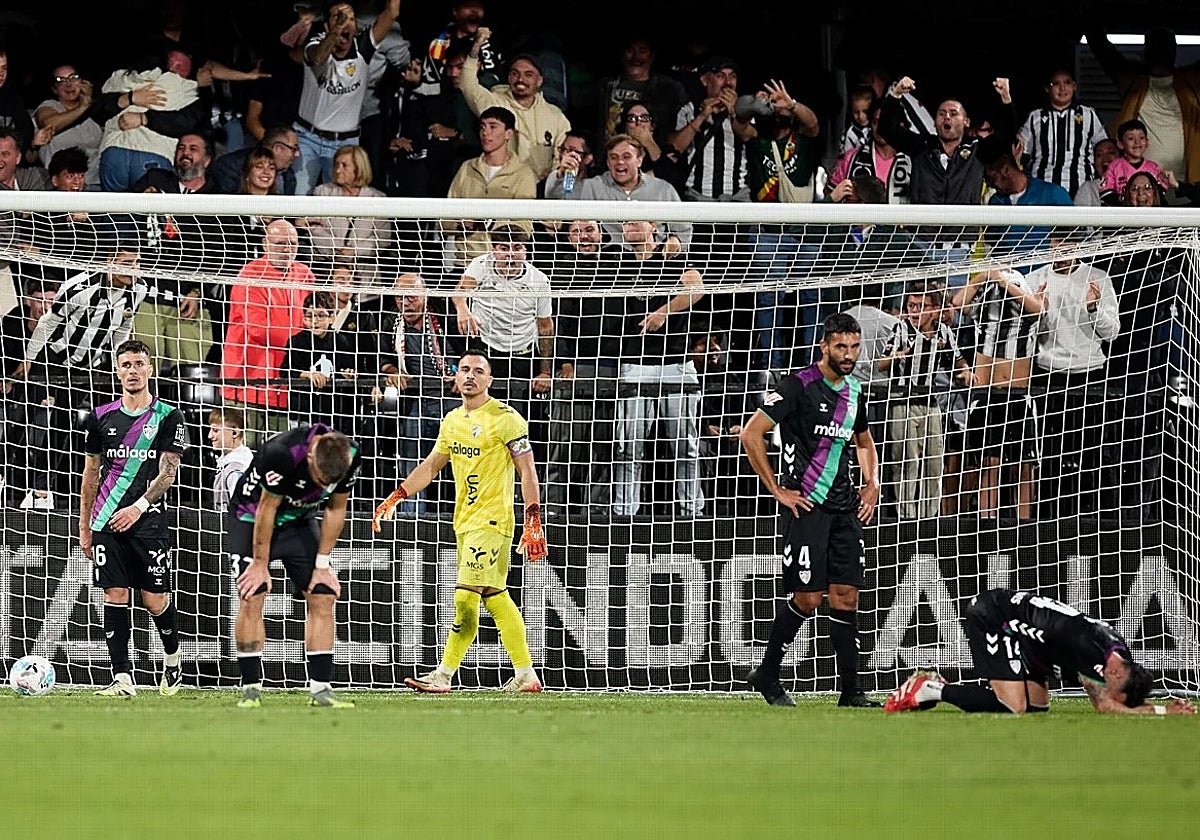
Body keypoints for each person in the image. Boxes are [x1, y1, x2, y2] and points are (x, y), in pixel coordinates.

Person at [373, 349, 548, 693]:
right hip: (465, 523)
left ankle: (444, 674)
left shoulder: (506, 417)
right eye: (464, 369)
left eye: (478, 371)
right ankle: (525, 673)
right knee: (495, 595)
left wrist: (533, 517)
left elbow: (527, 469)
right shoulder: (452, 420)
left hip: (493, 522)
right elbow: (431, 466)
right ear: (455, 377)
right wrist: (397, 495)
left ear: (489, 379)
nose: (470, 375)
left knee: (465, 598)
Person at [740, 312, 881, 708]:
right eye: (841, 346)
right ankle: (768, 671)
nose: (849, 354)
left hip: (845, 508)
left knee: (846, 596)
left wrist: (872, 484)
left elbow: (865, 442)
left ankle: (851, 693)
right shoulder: (798, 386)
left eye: (854, 347)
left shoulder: (854, 392)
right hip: (806, 506)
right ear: (824, 345)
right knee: (808, 598)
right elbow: (753, 434)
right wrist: (777, 490)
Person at [886, 588, 1196, 715]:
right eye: (1118, 693)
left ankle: (979, 688)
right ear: (1115, 674)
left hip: (1033, 644)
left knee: (1037, 708)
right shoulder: (1091, 649)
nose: (1113, 696)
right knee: (1012, 707)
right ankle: (930, 689)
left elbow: (1109, 701)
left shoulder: (1115, 652)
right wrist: (1161, 711)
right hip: (994, 618)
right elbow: (1103, 706)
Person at [80, 340, 189, 696]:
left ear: (150, 369)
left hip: (148, 521)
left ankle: (172, 661)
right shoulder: (100, 416)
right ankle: (122, 678)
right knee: (114, 593)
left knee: (154, 600)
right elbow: (90, 474)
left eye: (138, 364)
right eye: (125, 364)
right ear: (117, 371)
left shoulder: (168, 416)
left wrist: (138, 507)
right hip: (105, 521)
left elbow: (168, 473)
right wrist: (85, 528)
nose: (132, 370)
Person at [230, 424, 362, 708]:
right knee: (252, 593)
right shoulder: (283, 453)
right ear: (312, 457)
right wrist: (260, 563)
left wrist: (323, 564)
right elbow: (267, 508)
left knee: (323, 593)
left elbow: (336, 508)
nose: (323, 488)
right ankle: (251, 689)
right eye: (319, 480)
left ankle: (321, 690)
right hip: (251, 516)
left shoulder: (349, 455)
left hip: (299, 521)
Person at [611, 220, 706, 518]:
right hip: (634, 365)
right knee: (629, 445)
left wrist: (663, 311)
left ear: (653, 226)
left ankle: (693, 511)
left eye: (634, 221)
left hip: (677, 364)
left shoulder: (673, 258)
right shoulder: (618, 261)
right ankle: (625, 512)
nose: (627, 227)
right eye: (624, 223)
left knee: (686, 444)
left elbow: (697, 289)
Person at [953, 266, 1046, 520]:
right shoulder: (983, 301)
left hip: (1018, 396)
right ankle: (985, 526)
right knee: (987, 465)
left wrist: (1005, 283)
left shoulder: (1023, 296)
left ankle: (1024, 529)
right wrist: (985, 276)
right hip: (986, 396)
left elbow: (1039, 310)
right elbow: (958, 302)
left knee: (1023, 467)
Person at [877, 282, 970, 519]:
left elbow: (960, 361)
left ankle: (929, 517)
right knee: (908, 461)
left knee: (934, 462)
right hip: (902, 402)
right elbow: (881, 364)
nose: (915, 311)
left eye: (921, 306)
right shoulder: (900, 330)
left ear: (935, 309)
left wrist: (966, 372)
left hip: (930, 403)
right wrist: (897, 356)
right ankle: (906, 517)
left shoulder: (944, 332)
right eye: (911, 306)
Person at [290, 0, 402, 195]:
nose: (345, 22)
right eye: (338, 17)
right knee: (300, 197)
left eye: (350, 18)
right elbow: (318, 59)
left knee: (340, 202)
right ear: (327, 25)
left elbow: (392, 12)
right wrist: (335, 31)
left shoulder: (363, 48)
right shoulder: (315, 44)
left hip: (345, 143)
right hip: (308, 137)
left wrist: (341, 24)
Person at [459, 27, 570, 182]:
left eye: (528, 75)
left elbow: (565, 155)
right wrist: (475, 48)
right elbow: (467, 84)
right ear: (509, 77)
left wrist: (552, 178)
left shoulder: (555, 116)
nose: (520, 79)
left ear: (539, 81)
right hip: (503, 187)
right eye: (515, 73)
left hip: (543, 190)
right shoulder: (495, 104)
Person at [443, 106, 538, 268]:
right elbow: (444, 220)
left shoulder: (523, 174)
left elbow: (524, 226)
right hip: (465, 263)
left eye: (493, 127)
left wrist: (492, 223)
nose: (486, 133)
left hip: (503, 265)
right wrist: (461, 224)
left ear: (509, 133)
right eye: (482, 127)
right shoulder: (467, 168)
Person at [1016, 69, 1108, 199]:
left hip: (1081, 188)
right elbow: (1021, 153)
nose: (1063, 88)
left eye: (1067, 83)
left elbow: (1104, 149)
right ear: (1048, 88)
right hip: (1042, 187)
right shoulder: (1035, 117)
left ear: (1074, 86)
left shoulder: (1088, 115)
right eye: (1056, 84)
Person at [1100, 119, 1169, 204]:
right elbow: (1105, 193)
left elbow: (1161, 193)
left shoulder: (1154, 168)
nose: (1137, 142)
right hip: (1122, 213)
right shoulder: (1114, 167)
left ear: (1147, 142)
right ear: (1121, 144)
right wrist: (1125, 200)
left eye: (1141, 138)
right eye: (1131, 138)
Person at [208, 406, 253, 513]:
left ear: (234, 433)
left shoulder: (236, 470)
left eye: (215, 430)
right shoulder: (227, 463)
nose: (210, 435)